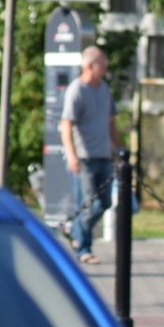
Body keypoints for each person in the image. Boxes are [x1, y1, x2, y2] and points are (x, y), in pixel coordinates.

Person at [60, 45, 122, 266]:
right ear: (89, 66)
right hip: (83, 157)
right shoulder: (77, 90)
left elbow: (111, 122)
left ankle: (74, 228)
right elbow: (66, 124)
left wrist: (118, 149)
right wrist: (72, 155)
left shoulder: (104, 89)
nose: (105, 67)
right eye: (102, 63)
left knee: (104, 203)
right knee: (88, 204)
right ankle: (83, 248)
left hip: (103, 155)